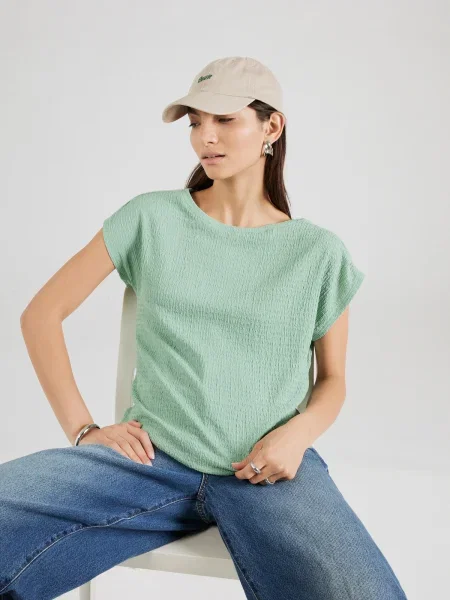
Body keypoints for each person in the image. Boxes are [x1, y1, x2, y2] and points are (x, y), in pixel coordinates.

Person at [0, 56, 408, 600]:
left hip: (265, 469)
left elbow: (333, 379)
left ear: (271, 127)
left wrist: (298, 435)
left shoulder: (318, 253)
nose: (204, 138)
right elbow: (41, 314)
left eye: (224, 120)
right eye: (195, 123)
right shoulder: (151, 217)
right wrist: (83, 430)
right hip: (148, 461)